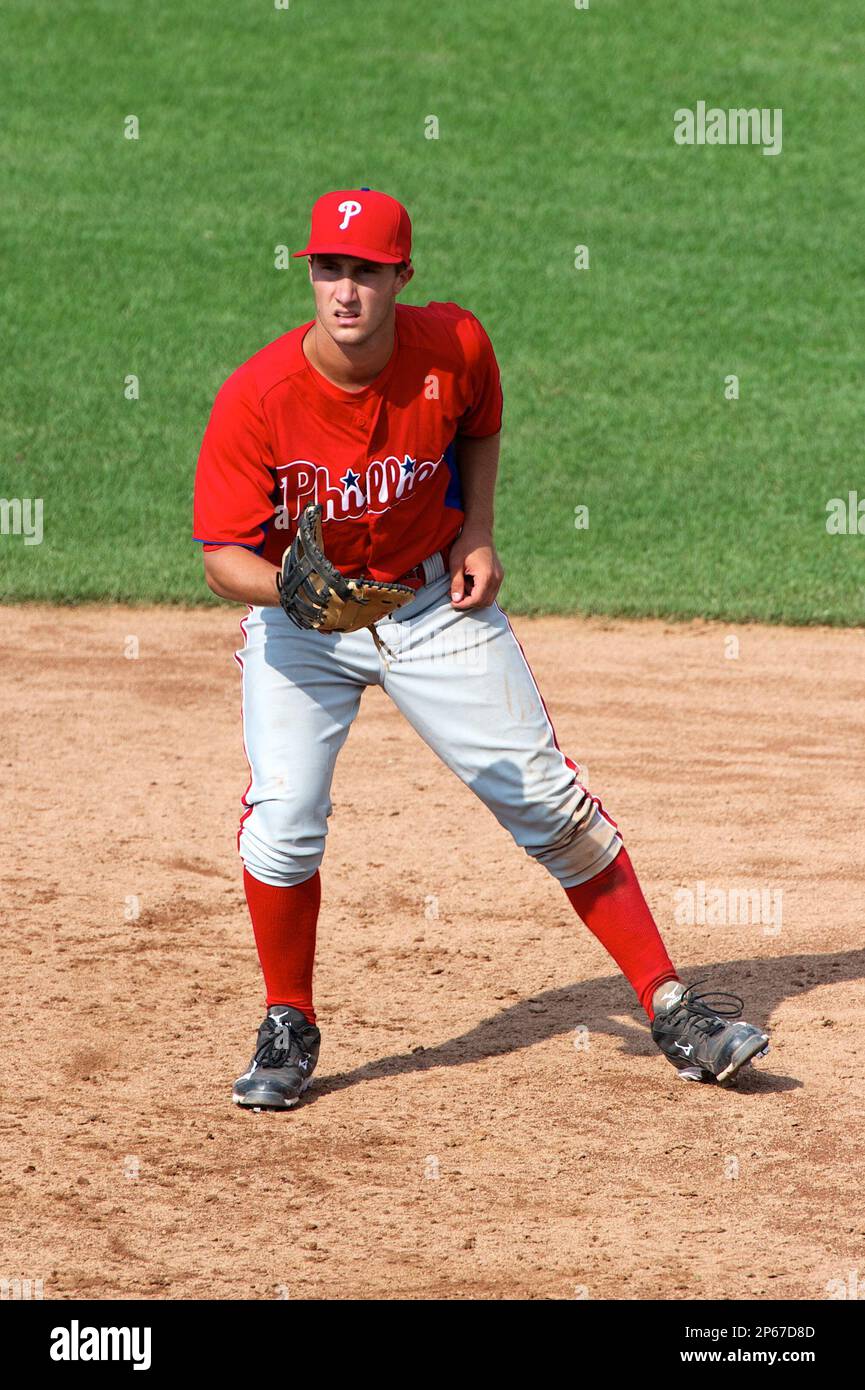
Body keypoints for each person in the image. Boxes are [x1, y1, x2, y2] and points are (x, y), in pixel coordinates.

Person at [193, 187, 769, 1110]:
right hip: (306, 631)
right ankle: (287, 1020)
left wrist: (477, 532)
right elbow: (223, 559)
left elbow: (478, 423)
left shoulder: (454, 346)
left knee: (547, 801)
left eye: (366, 273)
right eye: (328, 270)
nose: (345, 292)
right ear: (309, 274)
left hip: (430, 606)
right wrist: (288, 590)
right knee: (285, 817)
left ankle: (670, 1004)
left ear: (400, 278)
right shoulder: (256, 396)